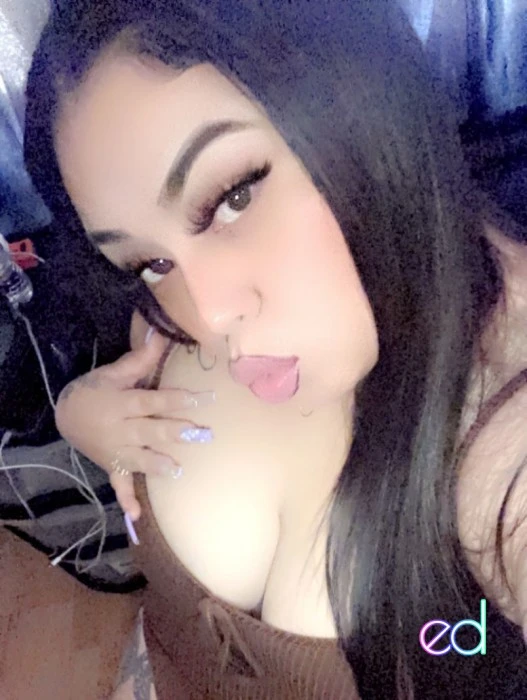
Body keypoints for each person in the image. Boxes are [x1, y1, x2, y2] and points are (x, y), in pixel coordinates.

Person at [23, 1, 527, 697]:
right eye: (148, 262)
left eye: (232, 197)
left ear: (361, 101)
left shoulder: (506, 454)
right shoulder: (169, 322)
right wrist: (82, 413)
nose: (210, 314)